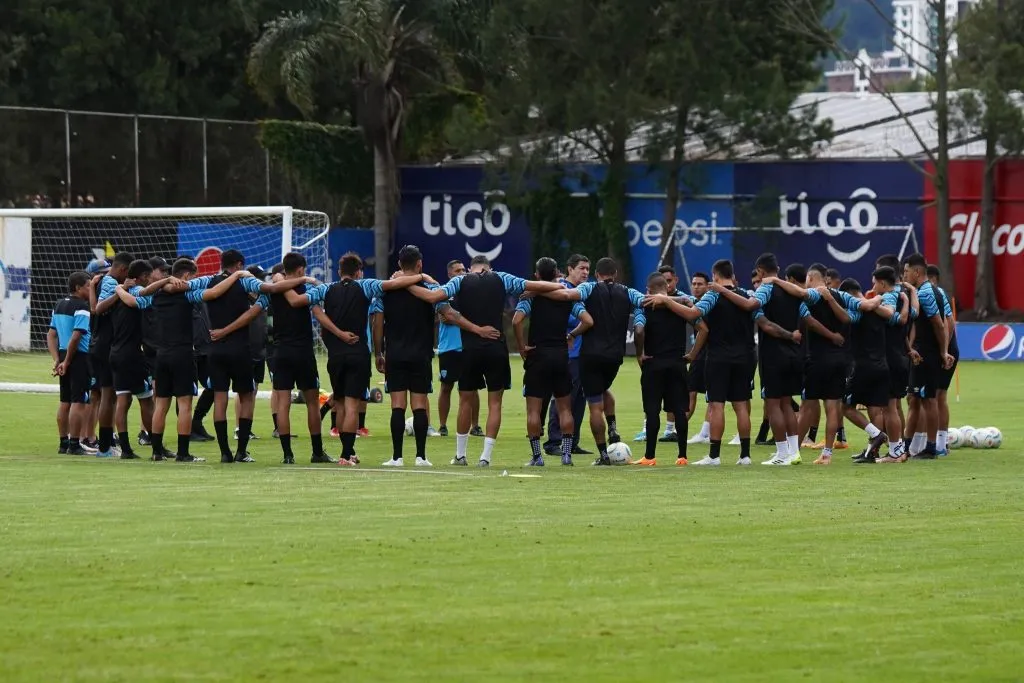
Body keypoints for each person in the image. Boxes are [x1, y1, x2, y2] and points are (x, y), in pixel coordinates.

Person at [408, 254, 565, 467]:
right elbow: (537, 285)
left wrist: (407, 285)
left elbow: (433, 297)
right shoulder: (502, 278)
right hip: (496, 348)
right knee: (495, 404)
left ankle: (461, 455)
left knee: (465, 401)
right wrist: (550, 288)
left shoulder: (459, 281)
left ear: (471, 268)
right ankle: (486, 457)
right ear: (488, 267)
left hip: (470, 349)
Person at [286, 251, 426, 465]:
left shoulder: (325, 289)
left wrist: (336, 332)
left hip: (335, 356)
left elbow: (301, 303)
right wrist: (421, 277)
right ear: (359, 272)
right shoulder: (366, 285)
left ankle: (347, 453)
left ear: (339, 271)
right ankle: (346, 454)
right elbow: (393, 285)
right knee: (352, 405)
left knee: (340, 405)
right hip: (358, 354)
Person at [114, 258, 247, 462]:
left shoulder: (155, 296)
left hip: (161, 355)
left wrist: (120, 289)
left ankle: (157, 452)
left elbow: (134, 299)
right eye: (192, 276)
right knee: (184, 404)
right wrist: (236, 276)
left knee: (161, 404)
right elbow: (214, 293)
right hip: (183, 354)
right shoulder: (188, 295)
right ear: (186, 276)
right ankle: (183, 453)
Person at [204, 250, 309, 463]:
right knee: (246, 397)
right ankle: (241, 450)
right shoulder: (245, 282)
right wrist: (301, 279)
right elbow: (270, 288)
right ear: (239, 264)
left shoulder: (209, 282)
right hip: (239, 348)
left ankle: (225, 452)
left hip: (214, 348)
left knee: (220, 398)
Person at [543, 257, 646, 465]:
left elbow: (567, 294)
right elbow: (649, 301)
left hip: (590, 356)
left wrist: (539, 291)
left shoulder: (589, 288)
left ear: (597, 274)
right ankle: (613, 427)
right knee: (603, 390)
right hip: (615, 357)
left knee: (594, 405)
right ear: (615, 274)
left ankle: (604, 455)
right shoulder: (629, 292)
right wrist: (682, 301)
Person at [765, 265, 865, 465]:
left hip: (818, 358)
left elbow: (802, 299)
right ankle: (827, 454)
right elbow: (852, 314)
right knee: (832, 407)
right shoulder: (840, 295)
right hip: (840, 359)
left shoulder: (812, 294)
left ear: (810, 277)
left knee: (807, 407)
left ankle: (794, 452)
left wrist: (776, 280)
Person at [513, 257, 593, 466]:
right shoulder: (566, 298)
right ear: (557, 273)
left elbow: (516, 320)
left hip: (537, 355)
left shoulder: (530, 296)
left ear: (537, 276)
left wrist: (522, 347)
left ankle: (537, 457)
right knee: (565, 408)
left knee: (533, 410)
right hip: (560, 356)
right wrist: (571, 335)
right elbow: (588, 321)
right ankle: (566, 454)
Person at [833, 271, 908, 464]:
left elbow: (846, 318)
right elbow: (900, 318)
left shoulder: (858, 311)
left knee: (845, 406)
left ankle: (877, 436)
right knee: (879, 408)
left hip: (864, 366)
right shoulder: (881, 309)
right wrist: (907, 301)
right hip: (883, 365)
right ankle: (876, 451)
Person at [271, 252, 332, 464]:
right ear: (300, 270)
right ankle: (317, 452)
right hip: (303, 352)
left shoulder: (275, 287)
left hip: (281, 351)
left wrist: (281, 279)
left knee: (283, 404)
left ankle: (288, 455)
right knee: (312, 403)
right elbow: (318, 314)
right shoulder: (305, 289)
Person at [749, 254, 806, 466]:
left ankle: (782, 453)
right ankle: (794, 452)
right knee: (787, 405)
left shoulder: (764, 289)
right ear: (778, 268)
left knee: (772, 404)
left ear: (761, 272)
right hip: (793, 354)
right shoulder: (790, 291)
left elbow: (754, 308)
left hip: (773, 354)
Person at [632, 272, 692, 466]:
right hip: (677, 362)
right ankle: (682, 456)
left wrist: (640, 353)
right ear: (667, 288)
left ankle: (650, 456)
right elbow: (701, 325)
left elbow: (639, 330)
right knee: (680, 410)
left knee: (652, 411)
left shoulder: (644, 306)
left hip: (654, 363)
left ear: (648, 290)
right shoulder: (681, 305)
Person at [901, 253, 955, 459]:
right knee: (916, 399)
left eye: (906, 271)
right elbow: (945, 321)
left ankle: (930, 447)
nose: (904, 275)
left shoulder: (924, 293)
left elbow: (939, 324)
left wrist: (943, 352)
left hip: (925, 355)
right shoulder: (934, 291)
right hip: (923, 353)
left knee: (927, 400)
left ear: (916, 272)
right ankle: (907, 447)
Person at [542, 254, 591, 457]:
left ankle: (572, 442)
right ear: (570, 269)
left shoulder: (585, 290)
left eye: (588, 269)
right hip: (566, 353)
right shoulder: (560, 289)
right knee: (562, 398)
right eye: (581, 268)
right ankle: (553, 441)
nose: (585, 272)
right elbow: (567, 318)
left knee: (580, 399)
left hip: (583, 354)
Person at [108, 259, 158, 459]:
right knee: (147, 401)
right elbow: (137, 300)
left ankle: (126, 449)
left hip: (116, 353)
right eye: (148, 276)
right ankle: (157, 447)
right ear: (141, 277)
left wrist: (119, 289)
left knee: (122, 400)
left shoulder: (115, 299)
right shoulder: (136, 293)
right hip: (133, 355)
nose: (149, 280)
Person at [89, 252, 134, 458]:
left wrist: (91, 287)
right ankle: (105, 447)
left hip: (101, 344)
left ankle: (106, 445)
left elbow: (93, 307)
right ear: (124, 270)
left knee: (110, 396)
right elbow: (99, 308)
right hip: (106, 345)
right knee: (108, 395)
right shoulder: (110, 282)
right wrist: (121, 290)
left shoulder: (102, 281)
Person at [48, 271, 94, 456]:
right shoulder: (82, 307)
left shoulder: (59, 305)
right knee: (78, 401)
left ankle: (63, 443)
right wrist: (67, 361)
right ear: (78, 288)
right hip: (79, 357)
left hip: (62, 354)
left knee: (64, 401)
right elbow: (76, 337)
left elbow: (51, 334)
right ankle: (75, 444)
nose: (91, 289)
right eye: (88, 286)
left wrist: (57, 359)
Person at [436, 259, 482, 438]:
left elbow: (453, 317)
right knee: (446, 387)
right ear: (449, 274)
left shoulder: (472, 292)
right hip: (449, 347)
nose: (461, 273)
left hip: (470, 346)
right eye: (457, 271)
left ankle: (476, 426)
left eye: (463, 270)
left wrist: (456, 316)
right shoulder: (445, 292)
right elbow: (445, 316)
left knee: (473, 388)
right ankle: (442, 425)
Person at [138, 256, 170, 446]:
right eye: (162, 271)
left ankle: (150, 432)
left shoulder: (161, 292)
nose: (165, 274)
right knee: (149, 394)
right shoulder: (142, 293)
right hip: (146, 350)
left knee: (156, 394)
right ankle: (145, 432)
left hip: (159, 348)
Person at [927, 265, 959, 456]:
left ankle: (939, 444)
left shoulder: (936, 293)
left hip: (944, 351)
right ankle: (939, 443)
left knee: (936, 396)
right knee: (937, 397)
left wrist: (944, 350)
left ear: (933, 279)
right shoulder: (936, 293)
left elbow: (949, 323)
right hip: (943, 350)